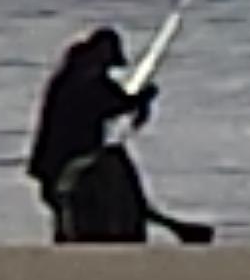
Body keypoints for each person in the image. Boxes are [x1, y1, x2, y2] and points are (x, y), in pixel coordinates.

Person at [28, 24, 200, 245]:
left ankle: (167, 227)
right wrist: (141, 98)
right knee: (109, 175)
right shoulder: (78, 82)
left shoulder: (81, 78)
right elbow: (107, 104)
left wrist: (140, 99)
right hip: (63, 160)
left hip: (72, 157)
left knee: (117, 172)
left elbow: (118, 102)